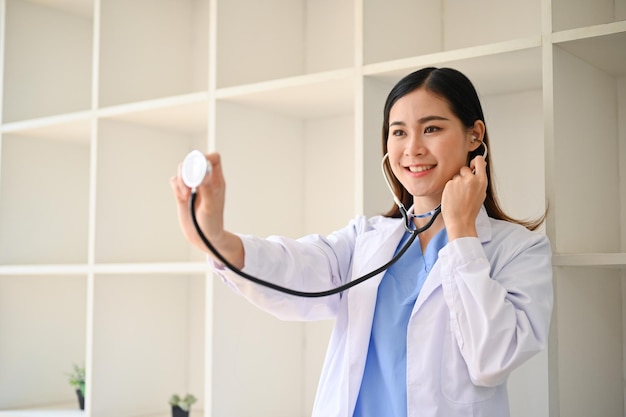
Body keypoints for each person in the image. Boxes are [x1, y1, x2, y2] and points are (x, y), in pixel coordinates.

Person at [170, 67, 553, 417]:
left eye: (431, 129)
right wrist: (216, 239)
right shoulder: (365, 240)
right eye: (399, 131)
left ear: (475, 135)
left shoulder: (519, 250)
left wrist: (463, 234)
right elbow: (294, 267)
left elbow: (493, 358)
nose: (412, 148)